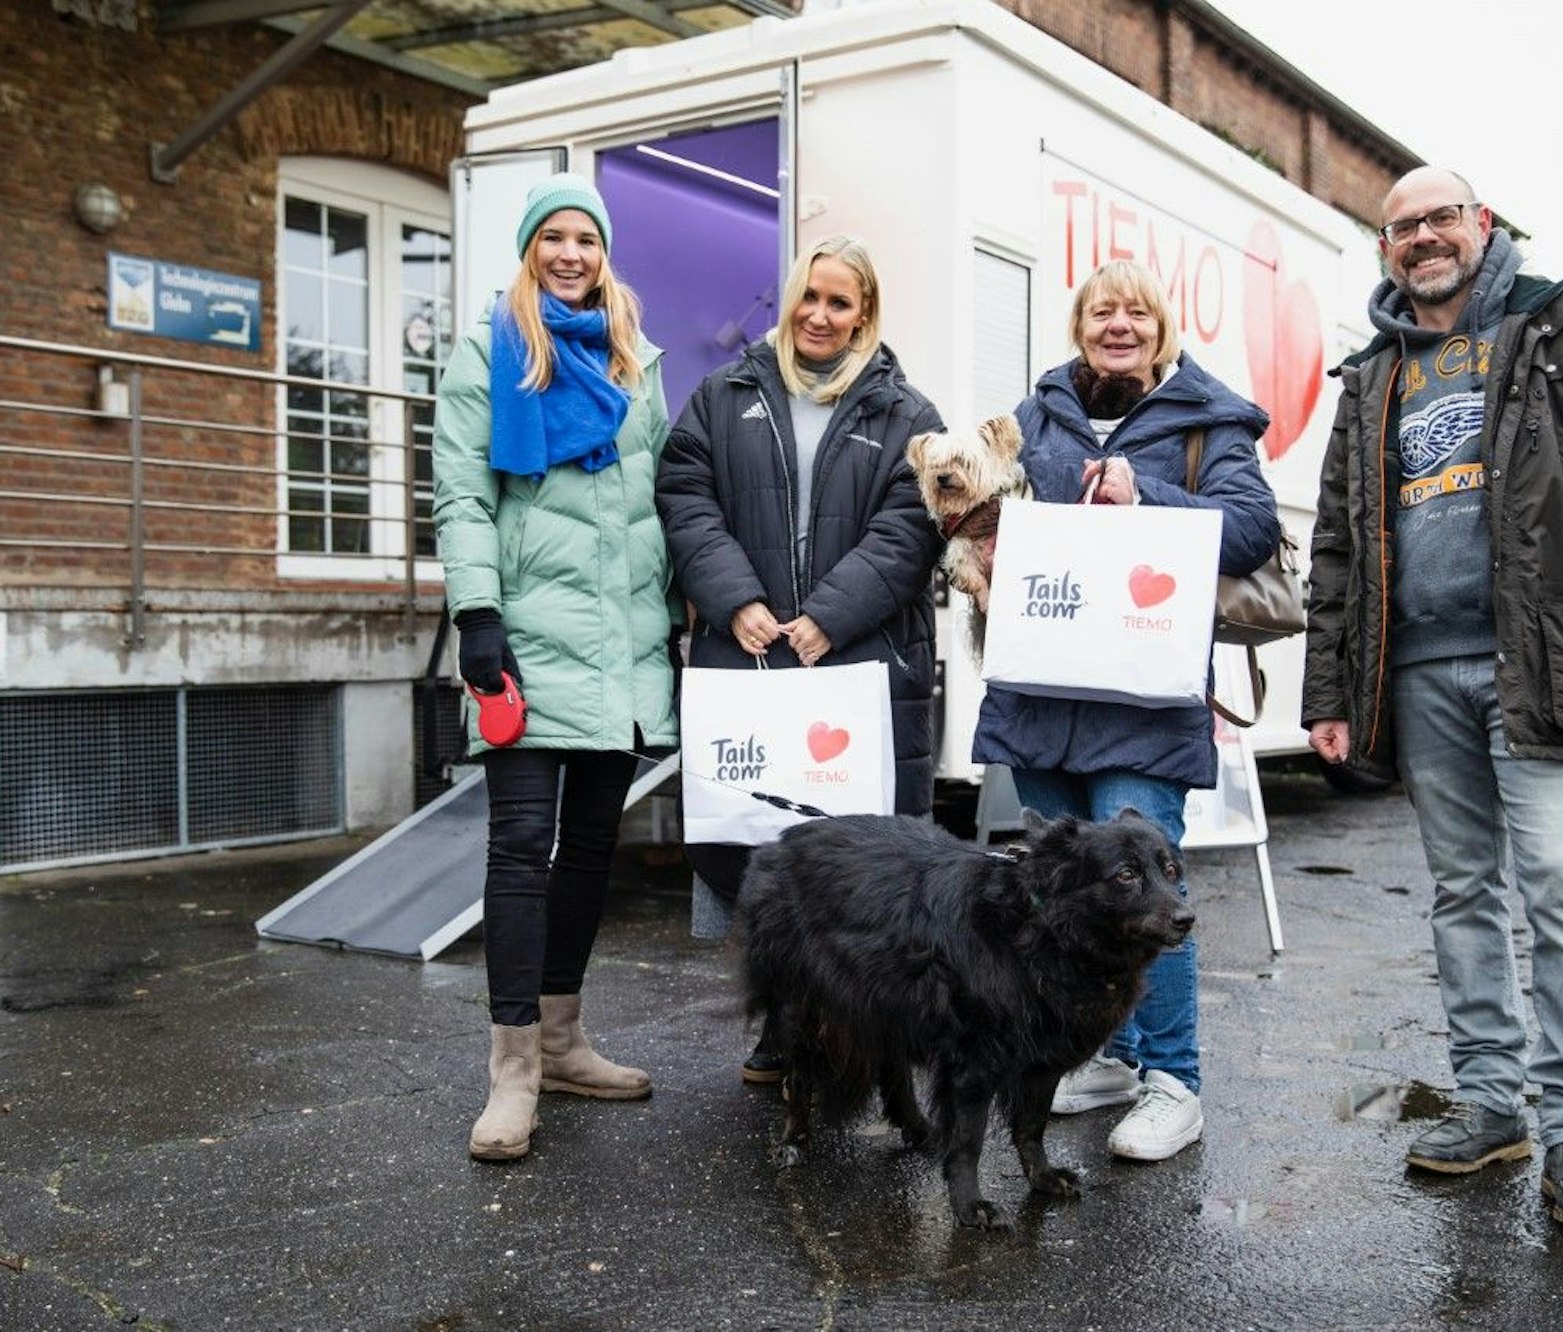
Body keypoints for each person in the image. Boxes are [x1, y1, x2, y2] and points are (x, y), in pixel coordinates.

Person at [1303, 166, 1563, 1231]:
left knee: (1562, 884)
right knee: (1461, 891)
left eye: (1439, 218)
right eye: (1400, 227)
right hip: (1420, 670)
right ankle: (1488, 1102)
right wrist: (1329, 686)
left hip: (1547, 661)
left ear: (1481, 226)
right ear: (1383, 249)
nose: (1421, 238)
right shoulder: (1372, 373)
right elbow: (1338, 540)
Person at [971, 259, 1280, 1162]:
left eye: (1135, 312)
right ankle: (1105, 1053)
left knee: (1147, 892)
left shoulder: (1207, 420)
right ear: (1078, 325)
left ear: (1161, 328)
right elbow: (985, 507)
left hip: (1142, 704)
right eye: (1100, 310)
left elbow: (1252, 527)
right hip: (1041, 693)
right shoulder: (1035, 417)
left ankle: (1174, 1080)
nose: (1118, 324)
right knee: (1062, 891)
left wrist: (1148, 496)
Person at [655, 234, 946, 1082]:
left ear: (865, 314)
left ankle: (856, 1030)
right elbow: (684, 496)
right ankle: (780, 1023)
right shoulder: (723, 393)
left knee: (855, 862)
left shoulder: (908, 416)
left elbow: (911, 528)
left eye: (840, 302)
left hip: (859, 668)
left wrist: (826, 616)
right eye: (809, 297)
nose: (819, 315)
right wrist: (734, 598)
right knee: (758, 856)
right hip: (743, 659)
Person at [433, 173, 679, 1162]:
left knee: (587, 853)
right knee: (518, 848)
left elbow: (665, 491)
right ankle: (514, 1069)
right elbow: (460, 494)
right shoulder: (486, 349)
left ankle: (567, 1040)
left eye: (585, 237)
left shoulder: (636, 359)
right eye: (553, 237)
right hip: (527, 639)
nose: (570, 252)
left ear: (602, 249)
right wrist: (478, 615)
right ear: (530, 248)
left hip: (620, 644)